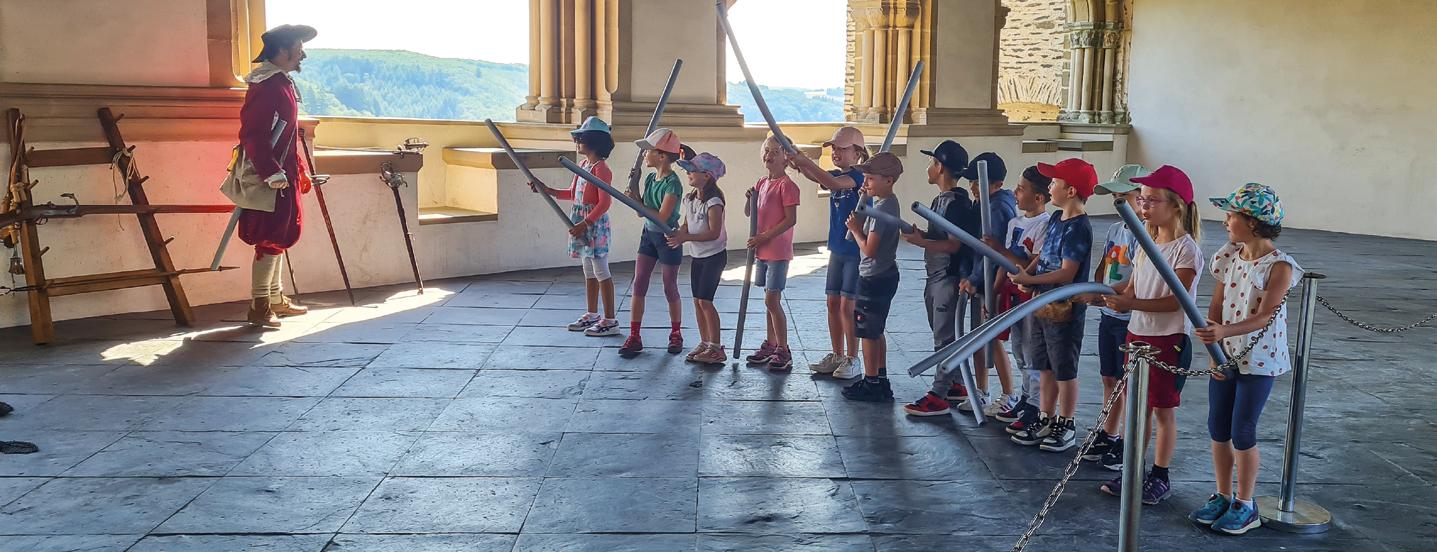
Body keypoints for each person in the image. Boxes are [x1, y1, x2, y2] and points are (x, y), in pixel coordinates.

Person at [1190, 183, 1299, 535]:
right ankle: (1223, 494)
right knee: (1218, 426)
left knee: (1243, 430)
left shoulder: (1279, 266)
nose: (1225, 221)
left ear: (1252, 222)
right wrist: (1215, 348)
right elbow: (1217, 303)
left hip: (1259, 359)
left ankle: (1246, 502)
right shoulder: (1230, 256)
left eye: (1231, 215)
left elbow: (1266, 315)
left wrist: (1224, 331)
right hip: (1227, 354)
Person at [1097, 165, 1204, 504]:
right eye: (1141, 199)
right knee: (1137, 407)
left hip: (1168, 339)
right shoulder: (1146, 240)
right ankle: (1133, 468)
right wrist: (1102, 294)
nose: (1143, 206)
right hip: (1137, 335)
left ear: (1176, 206)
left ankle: (1160, 474)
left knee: (1162, 410)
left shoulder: (1186, 250)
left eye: (1151, 200)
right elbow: (1131, 286)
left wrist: (1130, 302)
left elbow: (1177, 300)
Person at [1008, 158, 1097, 453]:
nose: (1049, 187)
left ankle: (1066, 422)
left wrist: (1032, 280)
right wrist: (1029, 275)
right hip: (1042, 303)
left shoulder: (1079, 227)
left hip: (1064, 309)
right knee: (1043, 366)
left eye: (1055, 182)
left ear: (1070, 191)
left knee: (1064, 369)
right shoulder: (1057, 219)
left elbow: (1067, 272)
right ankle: (1045, 417)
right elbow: (1044, 254)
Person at [237, 24, 318, 328]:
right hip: (270, 176)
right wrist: (270, 172)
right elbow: (254, 134)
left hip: (284, 172)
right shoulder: (267, 86)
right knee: (270, 236)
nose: (303, 55)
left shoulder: (279, 82)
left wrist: (298, 169)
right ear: (283, 51)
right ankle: (259, 305)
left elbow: (284, 137)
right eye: (299, 48)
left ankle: (274, 298)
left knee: (281, 234)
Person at [901, 140, 978, 416]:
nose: (928, 168)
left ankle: (938, 393)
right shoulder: (940, 200)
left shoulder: (956, 204)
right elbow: (939, 237)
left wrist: (921, 242)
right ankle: (954, 382)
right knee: (940, 332)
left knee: (944, 338)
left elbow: (953, 245)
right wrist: (922, 236)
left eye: (931, 162)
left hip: (948, 275)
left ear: (940, 167)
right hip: (935, 275)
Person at [788, 126, 868, 380]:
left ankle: (853, 357)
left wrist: (804, 161)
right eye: (833, 148)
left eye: (842, 148)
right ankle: (837, 354)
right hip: (837, 249)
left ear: (857, 153)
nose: (835, 152)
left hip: (854, 251)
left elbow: (831, 182)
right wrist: (797, 161)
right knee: (832, 303)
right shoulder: (838, 175)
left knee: (847, 306)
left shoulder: (858, 177)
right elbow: (820, 178)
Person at [1084, 164, 1150, 470]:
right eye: (1115, 197)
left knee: (1128, 382)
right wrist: (1099, 290)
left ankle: (1125, 438)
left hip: (1128, 317)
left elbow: (1137, 278)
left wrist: (1107, 294)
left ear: (1141, 196)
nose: (1118, 202)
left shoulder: (1144, 234)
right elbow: (1104, 264)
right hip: (1110, 313)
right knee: (1108, 377)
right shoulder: (1115, 229)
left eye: (1124, 196)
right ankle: (1108, 433)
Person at [535, 116, 619, 338]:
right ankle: (592, 313)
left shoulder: (601, 169)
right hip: (582, 222)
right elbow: (573, 194)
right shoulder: (582, 166)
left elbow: (604, 202)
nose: (577, 142)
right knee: (588, 270)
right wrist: (548, 190)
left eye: (581, 138)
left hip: (594, 225)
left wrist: (585, 223)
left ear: (593, 142)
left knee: (601, 270)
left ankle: (610, 320)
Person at [988, 166, 1052, 432]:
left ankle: (1035, 403)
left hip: (1028, 295)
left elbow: (1030, 266)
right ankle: (1026, 397)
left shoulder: (1044, 225)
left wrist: (999, 250)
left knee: (1031, 349)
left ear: (1038, 197)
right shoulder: (1015, 223)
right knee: (1018, 349)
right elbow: (1004, 264)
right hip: (1012, 294)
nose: (1015, 192)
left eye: (1021, 189)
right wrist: (994, 291)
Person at [842, 153, 904, 401]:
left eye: (870, 178)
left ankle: (871, 381)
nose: (865, 183)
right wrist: (866, 199)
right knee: (876, 330)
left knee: (867, 331)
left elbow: (869, 249)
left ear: (888, 180)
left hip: (874, 277)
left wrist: (856, 230)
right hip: (884, 274)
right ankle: (880, 377)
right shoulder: (887, 203)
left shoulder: (882, 210)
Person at [960, 152, 1018, 413]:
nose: (973, 187)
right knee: (979, 338)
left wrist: (976, 280)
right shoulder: (987, 204)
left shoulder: (997, 209)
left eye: (977, 182)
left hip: (991, 283)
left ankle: (1008, 394)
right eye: (971, 182)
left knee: (991, 339)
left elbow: (991, 252)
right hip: (983, 280)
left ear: (996, 184)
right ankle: (981, 391)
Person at [620, 128, 686, 358]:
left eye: (648, 151)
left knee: (669, 285)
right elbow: (642, 212)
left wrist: (638, 203)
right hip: (648, 235)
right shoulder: (650, 178)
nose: (644, 155)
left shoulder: (673, 184)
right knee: (639, 282)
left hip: (668, 238)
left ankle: (676, 332)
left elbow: (662, 217)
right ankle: (634, 335)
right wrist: (635, 190)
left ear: (662, 156)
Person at [743, 136, 800, 371]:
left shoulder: (787, 185)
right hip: (763, 250)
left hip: (777, 251)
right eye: (767, 150)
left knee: (772, 300)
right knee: (769, 301)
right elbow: (750, 213)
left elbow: (790, 219)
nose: (769, 155)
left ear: (786, 158)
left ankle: (783, 348)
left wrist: (765, 236)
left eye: (776, 152)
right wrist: (749, 199)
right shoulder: (761, 183)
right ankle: (772, 342)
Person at [668, 153, 729, 365]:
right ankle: (705, 342)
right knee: (697, 301)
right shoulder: (691, 198)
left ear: (707, 176)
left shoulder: (714, 201)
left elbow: (714, 233)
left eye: (692, 171)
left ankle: (716, 347)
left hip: (713, 257)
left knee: (706, 301)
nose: (688, 173)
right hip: (698, 256)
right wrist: (680, 233)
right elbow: (687, 223)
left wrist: (686, 238)